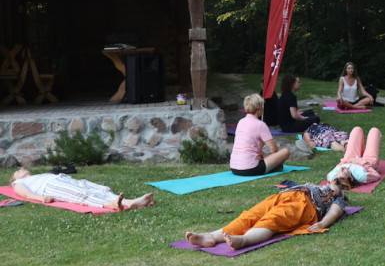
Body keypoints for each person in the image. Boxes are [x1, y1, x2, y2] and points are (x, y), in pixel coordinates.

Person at [185, 179, 351, 250]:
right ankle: (211, 236)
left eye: (338, 186)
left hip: (304, 206)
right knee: (250, 215)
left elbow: (336, 211)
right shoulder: (317, 185)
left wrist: (323, 224)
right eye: (334, 183)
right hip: (285, 196)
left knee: (272, 220)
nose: (333, 186)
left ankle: (243, 240)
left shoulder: (337, 197)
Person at [10, 168, 153, 210]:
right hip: (50, 187)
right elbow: (26, 194)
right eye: (17, 171)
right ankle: (108, 204)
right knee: (79, 194)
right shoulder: (18, 183)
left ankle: (129, 202)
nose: (21, 169)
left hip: (61, 179)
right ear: (15, 178)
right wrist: (41, 198)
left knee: (98, 188)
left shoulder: (39, 175)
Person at [230, 93, 291, 176]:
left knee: (260, 153)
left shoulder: (241, 122)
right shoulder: (260, 125)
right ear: (259, 110)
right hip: (250, 169)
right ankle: (273, 167)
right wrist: (273, 160)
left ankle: (272, 166)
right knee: (285, 152)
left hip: (234, 167)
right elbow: (274, 149)